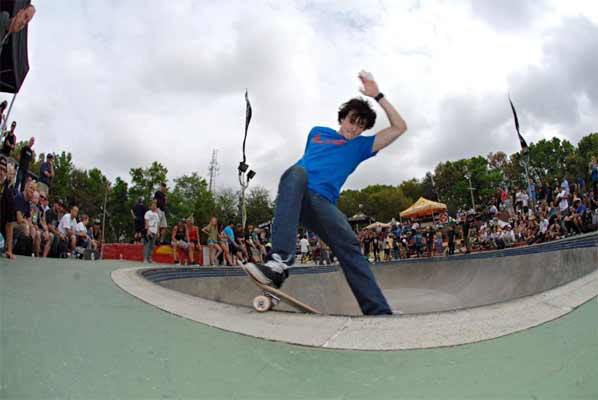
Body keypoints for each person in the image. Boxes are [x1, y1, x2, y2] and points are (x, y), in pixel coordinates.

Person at [243, 71, 407, 315]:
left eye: (361, 126)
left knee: (349, 245)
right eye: (352, 121)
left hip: (323, 204)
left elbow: (399, 127)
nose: (354, 129)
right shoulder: (317, 132)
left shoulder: (361, 146)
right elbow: (309, 161)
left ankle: (378, 310)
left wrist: (378, 96)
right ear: (342, 118)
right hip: (298, 191)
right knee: (295, 172)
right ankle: (278, 265)